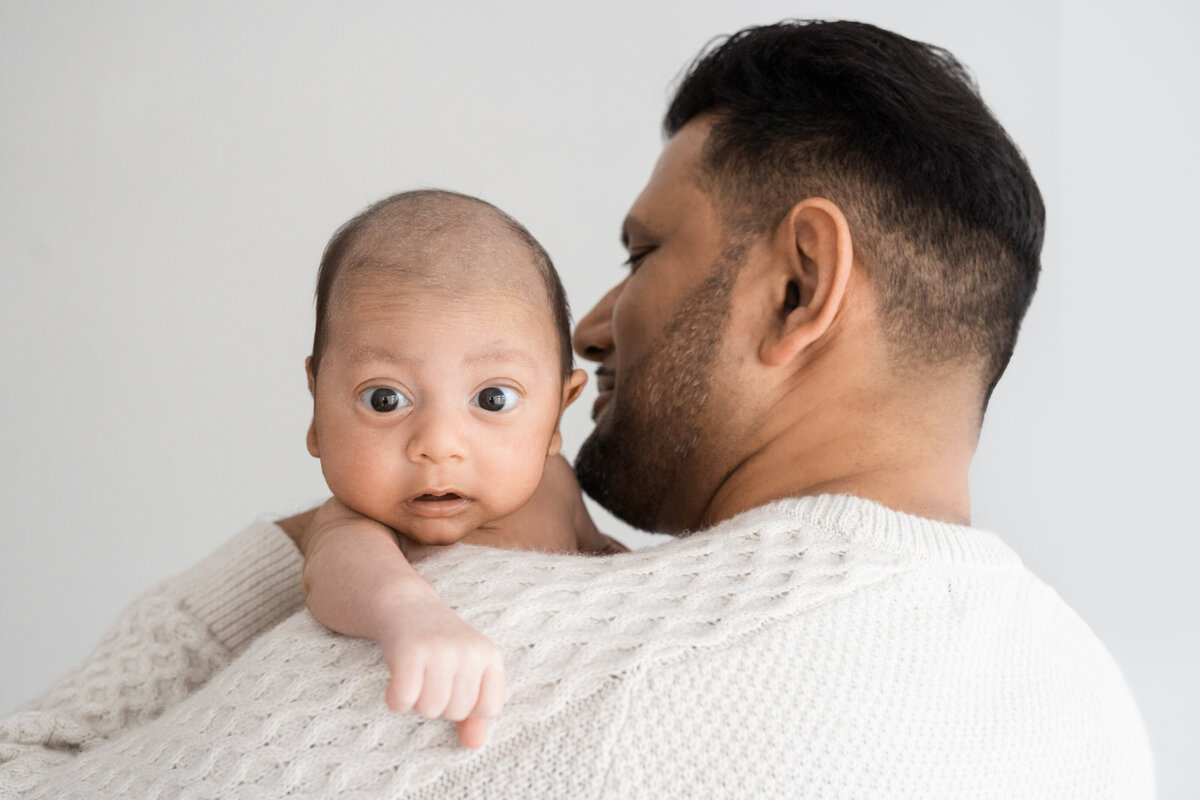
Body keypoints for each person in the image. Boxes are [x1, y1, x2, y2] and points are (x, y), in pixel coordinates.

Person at [0, 20, 1154, 799]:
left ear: (801, 284)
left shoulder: (487, 648)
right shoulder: (1098, 723)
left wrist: (298, 548)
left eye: (644, 251)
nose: (593, 326)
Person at [297, 188, 621, 750]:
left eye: (493, 399)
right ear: (317, 408)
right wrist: (410, 616)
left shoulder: (558, 484)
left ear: (556, 415)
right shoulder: (355, 525)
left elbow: (608, 564)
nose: (438, 446)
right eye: (384, 400)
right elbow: (333, 574)